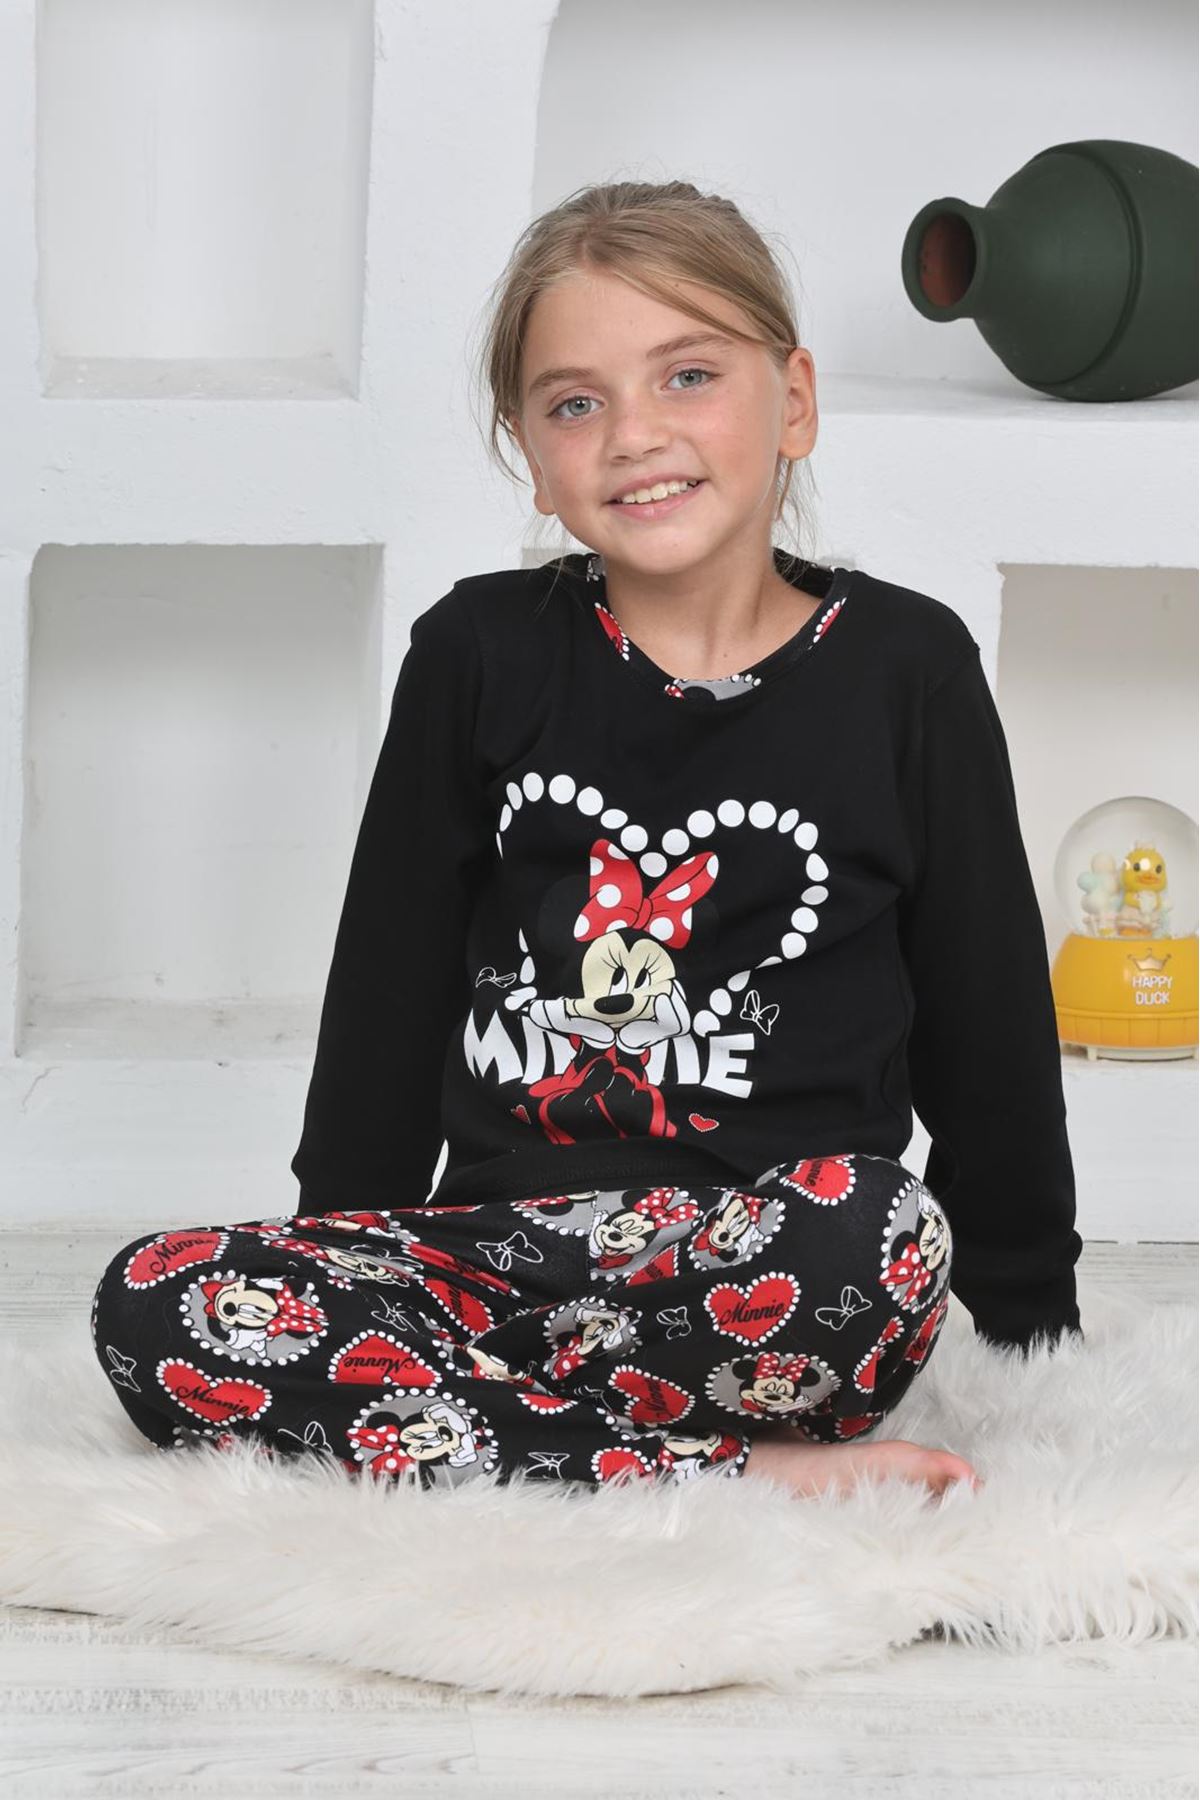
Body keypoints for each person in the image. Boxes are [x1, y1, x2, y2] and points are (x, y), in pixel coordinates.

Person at [91, 179, 1085, 1500]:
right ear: (530, 450)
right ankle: (727, 1474)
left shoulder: (907, 668)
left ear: (793, 401)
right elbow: (391, 991)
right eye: (575, 403)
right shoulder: (478, 653)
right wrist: (341, 1250)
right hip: (498, 1258)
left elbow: (987, 1016)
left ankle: (486, 1437)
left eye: (688, 376)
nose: (633, 435)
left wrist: (1032, 1338)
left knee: (882, 1229)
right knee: (153, 1296)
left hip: (771, 1272)